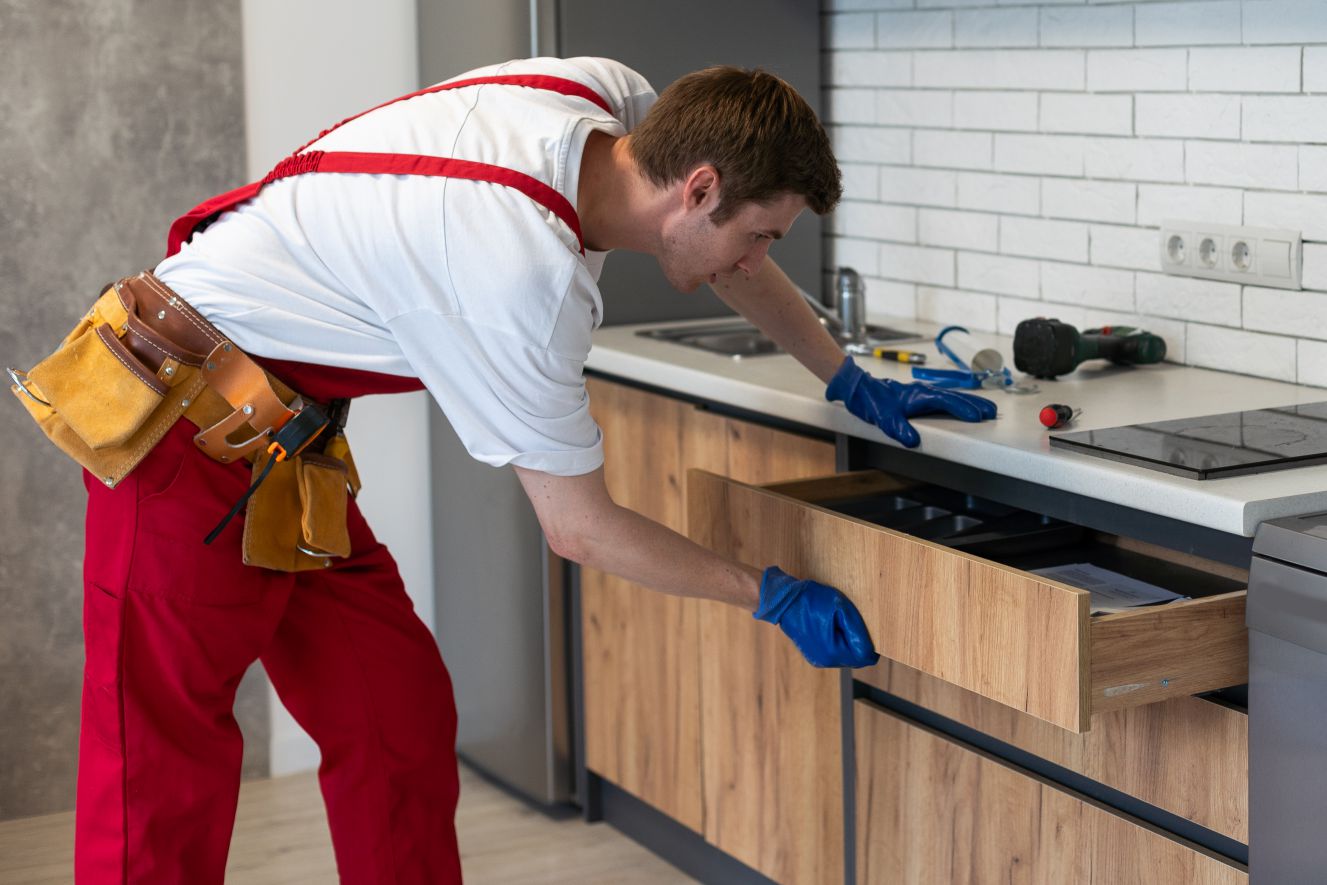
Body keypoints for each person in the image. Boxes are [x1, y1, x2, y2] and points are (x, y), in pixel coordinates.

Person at [43, 56, 995, 883]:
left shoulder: (605, 99)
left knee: (394, 714)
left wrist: (843, 375)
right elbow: (580, 529)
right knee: (158, 766)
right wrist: (768, 594)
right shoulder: (523, 280)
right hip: (179, 429)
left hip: (280, 440)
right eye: (761, 235)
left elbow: (720, 252)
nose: (756, 258)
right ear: (698, 188)